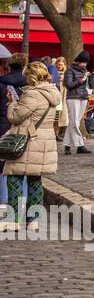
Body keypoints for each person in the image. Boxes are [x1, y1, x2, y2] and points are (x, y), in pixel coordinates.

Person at [1, 63, 62, 232]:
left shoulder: (32, 94)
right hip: (44, 139)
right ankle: (33, 219)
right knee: (35, 179)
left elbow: (16, 117)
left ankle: (13, 219)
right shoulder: (52, 92)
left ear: (32, 76)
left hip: (28, 140)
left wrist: (12, 103)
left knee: (14, 178)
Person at [62, 50, 92, 155]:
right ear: (78, 62)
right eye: (83, 62)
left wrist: (91, 79)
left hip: (83, 97)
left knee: (75, 122)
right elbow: (69, 85)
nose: (84, 64)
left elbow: (91, 86)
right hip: (73, 97)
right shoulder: (69, 71)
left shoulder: (85, 71)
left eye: (86, 62)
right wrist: (82, 80)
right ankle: (80, 145)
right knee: (74, 121)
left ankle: (67, 145)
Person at [0, 53, 28, 136]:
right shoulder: (30, 82)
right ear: (24, 65)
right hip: (24, 121)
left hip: (4, 120)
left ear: (10, 65)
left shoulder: (2, 81)